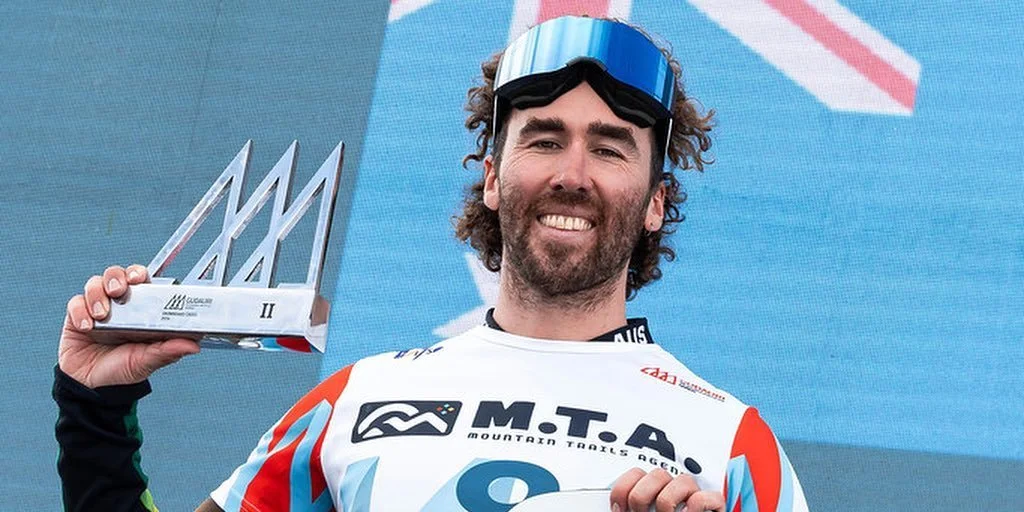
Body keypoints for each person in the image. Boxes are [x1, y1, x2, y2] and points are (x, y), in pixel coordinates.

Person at [54, 16, 808, 512]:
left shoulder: (731, 444)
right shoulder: (357, 400)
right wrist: (95, 412)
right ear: (492, 178)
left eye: (610, 149)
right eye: (544, 140)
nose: (572, 174)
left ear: (655, 202)